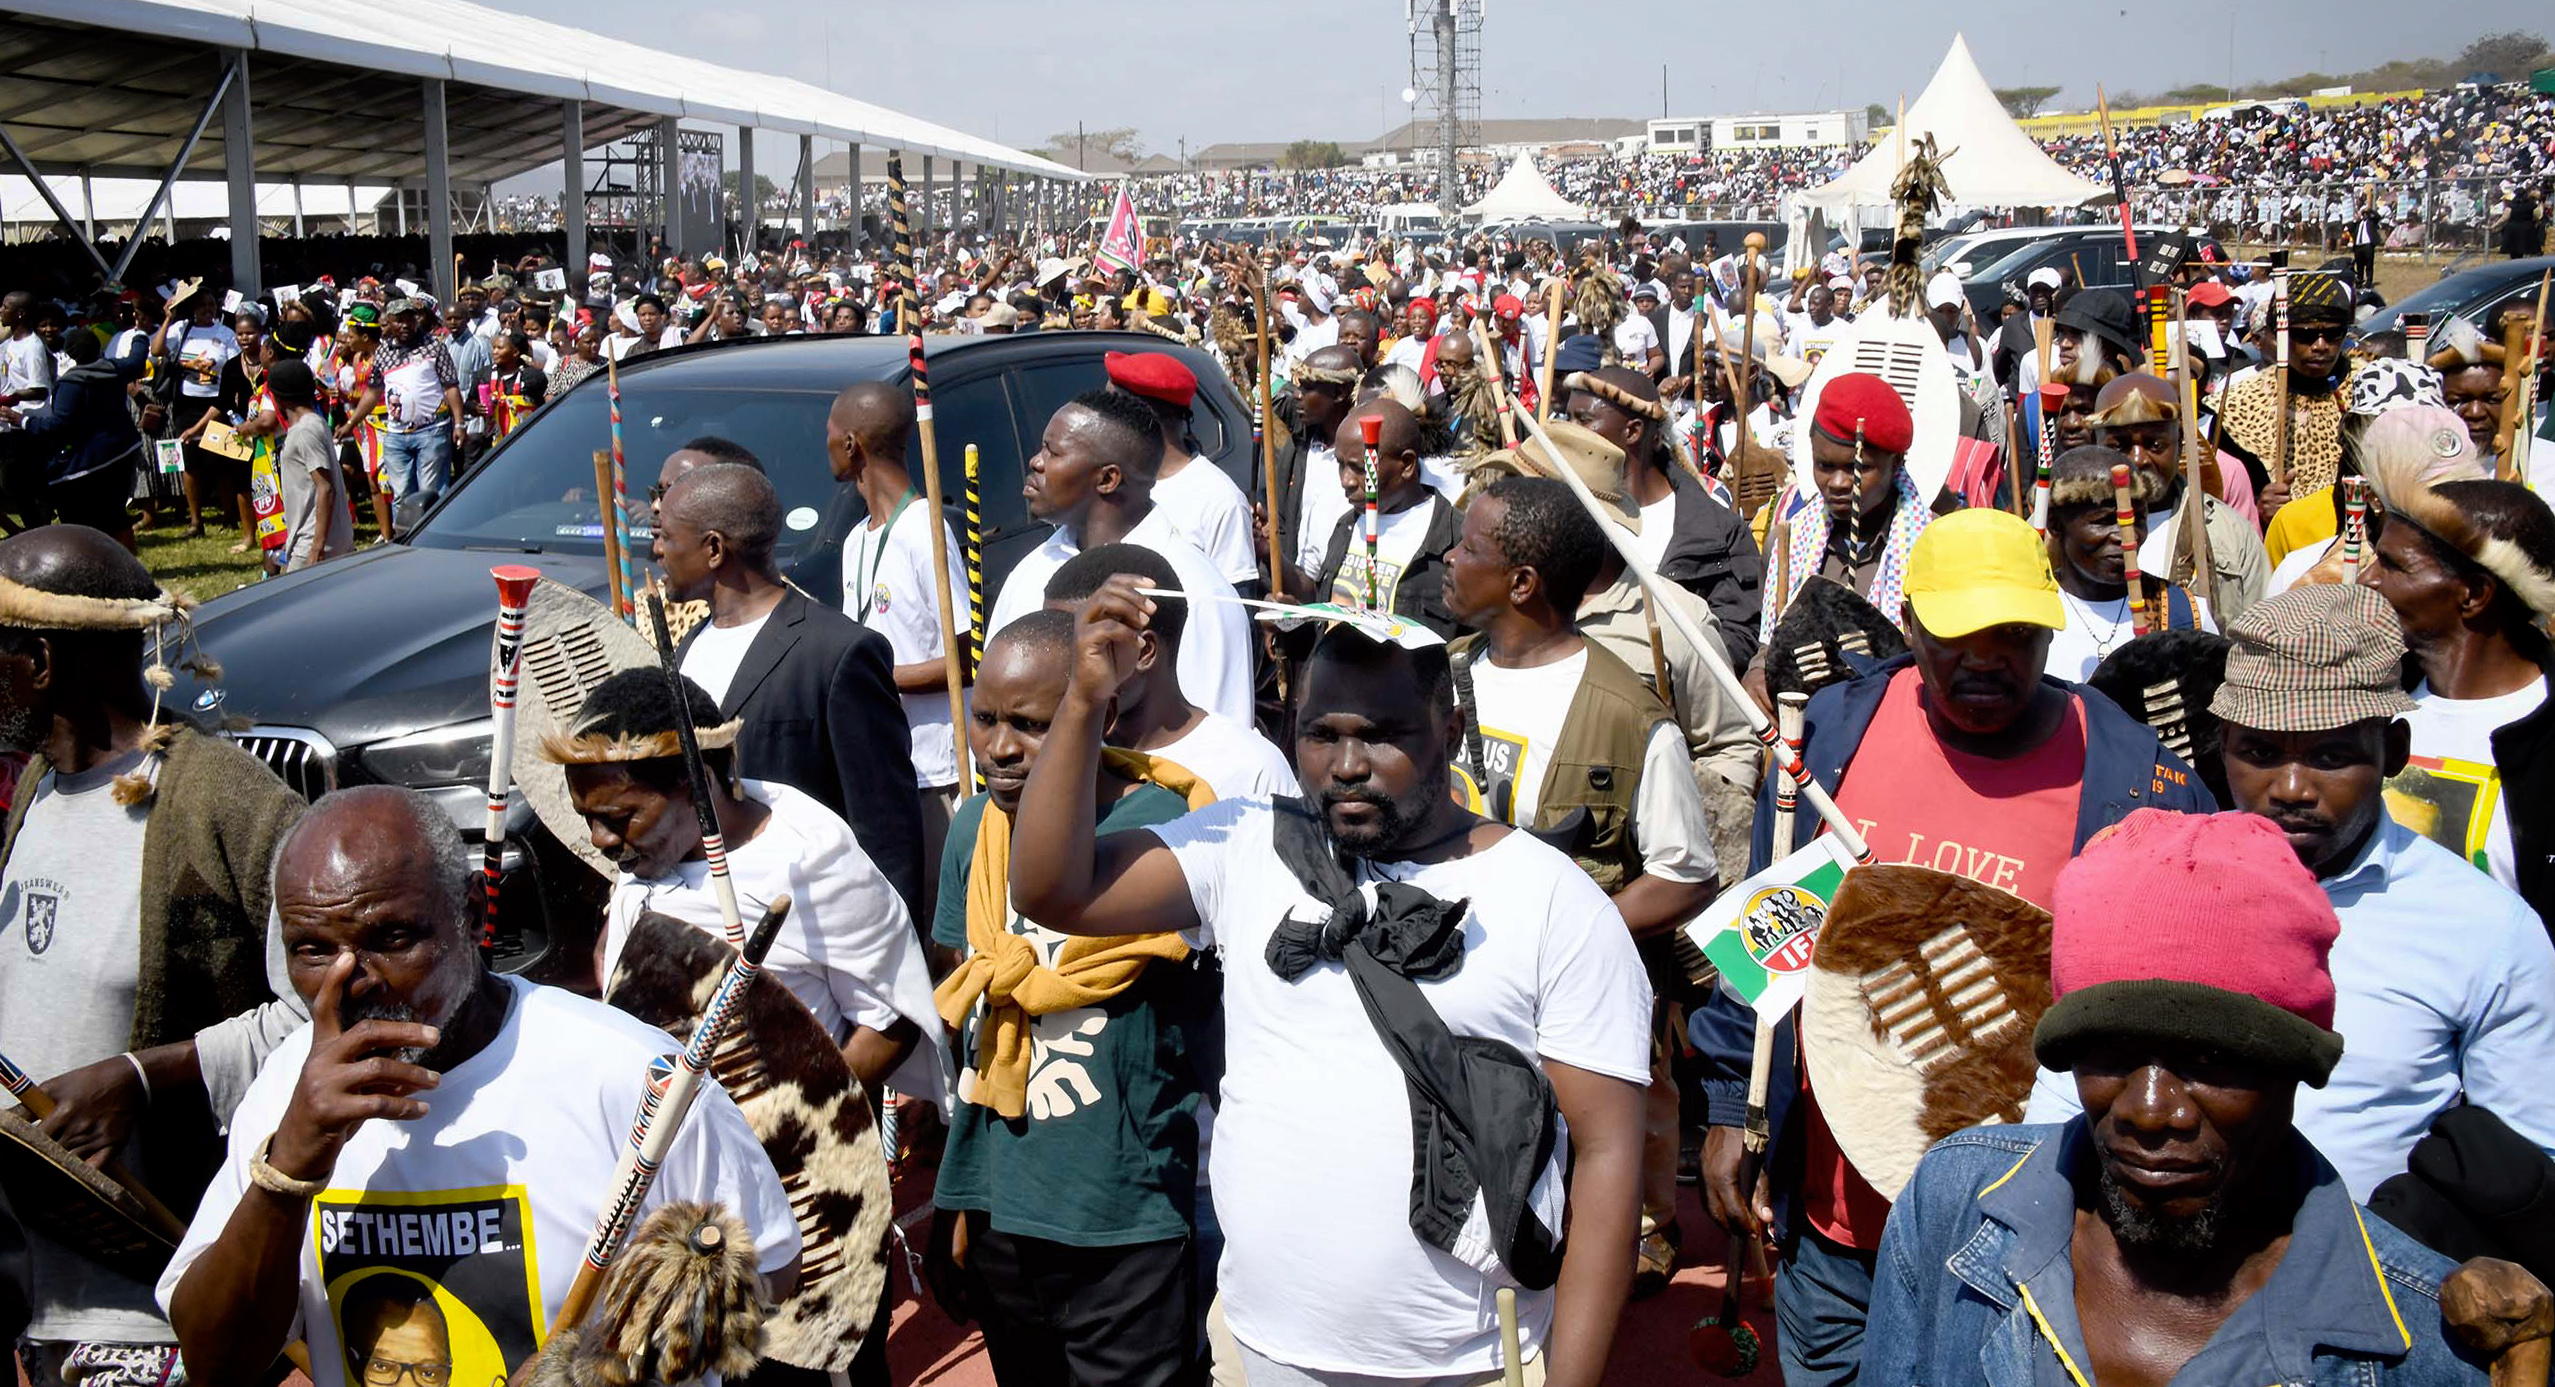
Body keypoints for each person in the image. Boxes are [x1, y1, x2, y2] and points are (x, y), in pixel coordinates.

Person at [1008, 592, 1650, 1387]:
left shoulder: (1555, 899)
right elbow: (1052, 890)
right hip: (1258, 1351)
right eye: (1321, 735)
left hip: (1471, 1365)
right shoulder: (1244, 842)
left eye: (1381, 735)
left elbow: (1610, 1151)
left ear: (1449, 733)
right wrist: (1080, 705)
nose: (1347, 765)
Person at [1697, 506, 2211, 1387]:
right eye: (1954, 632)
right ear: (1907, 624)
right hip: (1835, 1226)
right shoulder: (1831, 733)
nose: (1984, 657)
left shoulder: (2133, 779)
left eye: (2012, 632)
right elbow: (1768, 937)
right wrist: (1725, 1103)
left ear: (2049, 632)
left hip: (2019, 1236)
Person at [157, 785, 801, 1386]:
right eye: (312, 950)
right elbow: (219, 1364)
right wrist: (288, 1167)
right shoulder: (283, 1095)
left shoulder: (625, 1074)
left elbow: (771, 1269)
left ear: (471, 912)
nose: (351, 982)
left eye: (392, 938)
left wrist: (608, 1360)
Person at [1866, 808, 2491, 1387]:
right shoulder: (1954, 1201)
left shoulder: (2432, 1344)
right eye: (2109, 1051)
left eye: (2210, 1061)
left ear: (2295, 1067)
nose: (2150, 1109)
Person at [2024, 582, 2555, 1207]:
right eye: (2261, 752)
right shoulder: (2132, 890)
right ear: (2222, 748)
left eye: (2331, 755)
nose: (2292, 788)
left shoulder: (2485, 929)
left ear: (2393, 753)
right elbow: (2055, 1120)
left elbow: (2529, 1161)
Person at [0, 527, 308, 1387]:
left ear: (40, 661)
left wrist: (141, 1078)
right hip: (38, 1292)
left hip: (159, 1304)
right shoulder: (36, 787)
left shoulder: (225, 802)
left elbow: (318, 1019)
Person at [1441, 470, 1720, 1297]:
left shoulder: (1630, 717)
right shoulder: (1438, 679)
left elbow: (1684, 873)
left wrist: (1567, 924)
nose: (1448, 560)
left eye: (1468, 547)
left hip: (1573, 1006)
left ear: (1522, 582)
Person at [926, 609, 1215, 1387]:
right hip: (1005, 1217)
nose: (998, 746)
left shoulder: (1168, 834)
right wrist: (958, 1199)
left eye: (1029, 723)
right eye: (984, 717)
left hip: (1127, 1217)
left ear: (1101, 713)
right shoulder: (976, 830)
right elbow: (978, 1044)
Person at [556, 668, 940, 1102]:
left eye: (620, 818)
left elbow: (890, 1025)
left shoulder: (809, 860)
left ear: (694, 781)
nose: (599, 840)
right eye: (587, 818)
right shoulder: (646, 862)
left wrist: (788, 1122)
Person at [654, 462, 928, 924]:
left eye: (667, 537)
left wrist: (893, 955)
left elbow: (887, 829)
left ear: (715, 548)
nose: (657, 550)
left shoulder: (836, 652)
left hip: (807, 923)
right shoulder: (687, 647)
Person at [984, 389, 1254, 726]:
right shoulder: (1031, 572)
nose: (1036, 462)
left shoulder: (1196, 592)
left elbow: (1219, 739)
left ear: (1108, 478)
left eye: (1053, 452)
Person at [2359, 462, 2555, 925]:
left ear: (2473, 594)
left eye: (2393, 566)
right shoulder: (2360, 700)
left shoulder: (2546, 737)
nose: (2368, 578)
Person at [824, 381, 972, 883]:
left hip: (938, 766)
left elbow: (967, 656)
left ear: (851, 444)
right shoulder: (854, 542)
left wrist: (879, 680)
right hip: (884, 762)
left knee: (943, 924)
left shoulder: (923, 528)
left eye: (829, 434)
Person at [1043, 543, 1294, 800]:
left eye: (1079, 646)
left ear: (1143, 652)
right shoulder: (1059, 760)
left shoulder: (1250, 770)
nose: (1049, 663)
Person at [1748, 373, 1934, 708]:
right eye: (1825, 466)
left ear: (1897, 462)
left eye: (1856, 469)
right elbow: (1771, 642)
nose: (1837, 483)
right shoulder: (1789, 542)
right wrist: (1758, 672)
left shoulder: (1933, 547)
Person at [1563, 366, 1763, 666]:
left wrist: (1660, 666)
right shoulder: (1560, 516)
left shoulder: (1718, 532)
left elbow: (1737, 635)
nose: (1567, 431)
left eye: (1583, 420)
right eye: (1568, 418)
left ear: (1632, 431)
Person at [2088, 372, 2271, 621]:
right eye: (2119, 446)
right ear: (2093, 444)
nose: (2138, 460)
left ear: (2181, 442)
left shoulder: (2229, 533)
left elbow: (2259, 636)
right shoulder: (2062, 531)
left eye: (2156, 445)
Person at [1278, 398, 1462, 635]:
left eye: (1359, 468)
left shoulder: (1455, 541)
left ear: (1406, 464)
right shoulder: (1346, 524)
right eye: (1340, 465)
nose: (1346, 481)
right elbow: (1324, 614)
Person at [2042, 445, 2211, 682]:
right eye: (2104, 521)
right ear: (2055, 524)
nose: (2126, 536)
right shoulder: (2031, 615)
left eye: (2137, 520)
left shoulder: (2184, 612)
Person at [1106, 351, 1261, 594]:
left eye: (1111, 408)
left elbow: (1236, 606)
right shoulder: (1111, 483)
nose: (1101, 419)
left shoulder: (1220, 500)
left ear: (1142, 415)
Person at [2221, 271, 2353, 515]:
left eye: (2333, 334)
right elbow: (2220, 502)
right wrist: (2256, 506)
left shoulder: (2372, 393)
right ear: (2279, 335)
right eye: (2305, 335)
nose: (2320, 346)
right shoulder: (2236, 407)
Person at [4, 327, 143, 549]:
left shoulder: (72, 383)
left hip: (92, 459)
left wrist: (22, 420)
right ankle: (129, 558)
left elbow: (60, 425)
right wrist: (140, 334)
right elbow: (137, 360)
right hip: (124, 449)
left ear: (69, 354)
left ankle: (84, 555)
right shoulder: (115, 368)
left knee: (76, 513)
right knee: (115, 509)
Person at [345, 297, 461, 505]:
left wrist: (459, 424)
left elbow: (451, 386)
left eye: (410, 319)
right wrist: (351, 423)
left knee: (431, 493)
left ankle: (431, 536)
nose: (406, 324)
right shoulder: (382, 353)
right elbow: (372, 393)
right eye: (399, 320)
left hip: (432, 431)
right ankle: (405, 536)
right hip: (396, 435)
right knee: (401, 496)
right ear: (388, 322)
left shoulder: (434, 347)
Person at [266, 360, 352, 571]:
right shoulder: (315, 423)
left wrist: (317, 546)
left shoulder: (305, 431)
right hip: (319, 538)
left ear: (278, 399)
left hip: (312, 542)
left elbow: (325, 486)